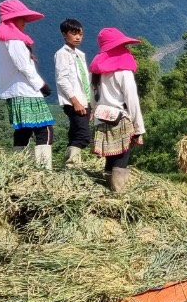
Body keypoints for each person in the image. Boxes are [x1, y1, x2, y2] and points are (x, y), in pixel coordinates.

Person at [0, 0, 55, 170]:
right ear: (13, 19)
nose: (25, 22)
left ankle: (20, 168)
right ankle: (43, 169)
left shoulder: (6, 38)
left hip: (18, 90)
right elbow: (24, 65)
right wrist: (41, 84)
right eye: (22, 18)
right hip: (26, 90)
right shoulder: (13, 39)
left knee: (24, 130)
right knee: (45, 129)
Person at [88, 27, 145, 193]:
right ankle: (117, 193)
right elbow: (132, 100)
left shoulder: (96, 72)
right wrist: (139, 128)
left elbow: (92, 98)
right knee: (121, 158)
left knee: (110, 157)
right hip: (120, 119)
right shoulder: (123, 72)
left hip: (102, 120)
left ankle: (106, 189)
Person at [53, 18, 92, 168]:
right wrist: (75, 101)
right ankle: (71, 164)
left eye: (80, 34)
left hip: (83, 100)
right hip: (73, 101)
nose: (78, 37)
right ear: (64, 34)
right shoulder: (62, 54)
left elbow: (85, 81)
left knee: (76, 133)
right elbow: (61, 79)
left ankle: (72, 165)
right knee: (83, 135)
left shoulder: (79, 55)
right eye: (74, 33)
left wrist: (89, 104)